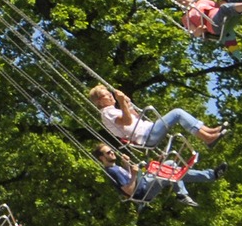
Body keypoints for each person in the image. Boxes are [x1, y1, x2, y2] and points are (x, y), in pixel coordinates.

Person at [89, 85, 226, 148]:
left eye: (108, 92)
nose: (109, 95)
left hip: (147, 132)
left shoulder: (112, 111)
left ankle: (208, 131)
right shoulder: (107, 113)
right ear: (100, 101)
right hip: (146, 135)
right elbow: (127, 121)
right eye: (105, 94)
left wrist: (127, 103)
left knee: (178, 114)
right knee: (177, 113)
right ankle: (207, 138)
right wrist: (121, 102)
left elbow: (135, 117)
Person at [98, 145, 221, 207]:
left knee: (170, 164)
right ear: (102, 158)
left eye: (111, 150)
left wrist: (126, 164)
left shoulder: (115, 167)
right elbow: (128, 190)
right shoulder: (111, 171)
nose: (112, 153)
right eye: (108, 152)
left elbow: (127, 177)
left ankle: (181, 194)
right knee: (171, 173)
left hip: (145, 180)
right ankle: (212, 175)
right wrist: (135, 173)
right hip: (144, 191)